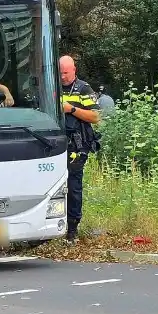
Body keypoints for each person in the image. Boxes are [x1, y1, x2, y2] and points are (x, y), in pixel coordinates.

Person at [59, 55, 102, 243]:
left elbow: (95, 117)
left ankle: (72, 229)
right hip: (54, 144)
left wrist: (72, 109)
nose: (62, 77)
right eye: (60, 73)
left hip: (77, 146)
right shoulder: (51, 86)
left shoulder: (83, 89)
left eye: (66, 73)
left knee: (74, 186)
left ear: (74, 70)